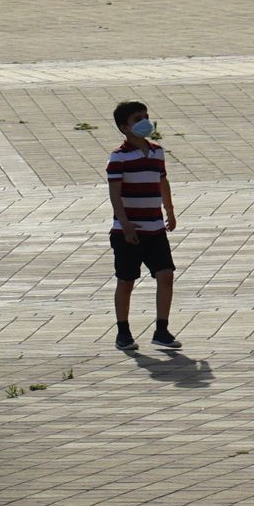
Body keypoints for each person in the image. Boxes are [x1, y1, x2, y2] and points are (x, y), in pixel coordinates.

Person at [106, 100, 180, 351]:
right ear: (124, 127)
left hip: (155, 229)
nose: (144, 122)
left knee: (166, 275)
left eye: (146, 116)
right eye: (137, 119)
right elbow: (115, 193)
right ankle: (123, 332)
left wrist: (169, 210)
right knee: (126, 281)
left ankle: (162, 329)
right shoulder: (119, 157)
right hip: (128, 232)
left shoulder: (156, 151)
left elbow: (162, 182)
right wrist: (125, 224)